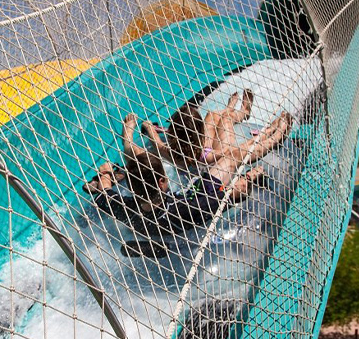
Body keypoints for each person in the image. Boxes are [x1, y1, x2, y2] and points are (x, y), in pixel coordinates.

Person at [84, 111, 292, 238]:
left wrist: (105, 174)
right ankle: (275, 137)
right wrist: (248, 178)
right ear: (163, 182)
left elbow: (104, 195)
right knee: (233, 157)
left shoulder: (124, 207)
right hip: (195, 197)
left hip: (158, 214)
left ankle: (127, 139)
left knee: (140, 157)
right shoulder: (190, 207)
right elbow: (228, 197)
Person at [138, 89, 256, 169]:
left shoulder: (171, 152)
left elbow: (156, 142)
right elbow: (230, 152)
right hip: (212, 150)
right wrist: (256, 139)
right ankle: (242, 112)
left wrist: (148, 127)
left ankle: (229, 108)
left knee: (211, 114)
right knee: (226, 119)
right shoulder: (207, 156)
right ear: (200, 130)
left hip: (200, 146)